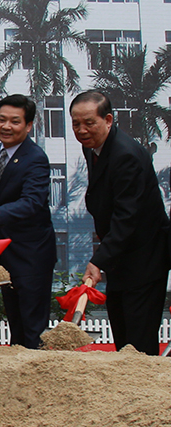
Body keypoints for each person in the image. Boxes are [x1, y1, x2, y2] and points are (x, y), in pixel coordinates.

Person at [70, 90, 170, 356]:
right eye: (76, 124)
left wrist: (98, 261)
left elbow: (127, 218)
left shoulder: (126, 155)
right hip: (121, 258)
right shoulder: (92, 146)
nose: (82, 130)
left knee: (138, 342)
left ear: (108, 120)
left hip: (144, 257)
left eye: (89, 123)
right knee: (122, 332)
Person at [0, 94, 56, 349]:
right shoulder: (0, 150)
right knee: (15, 321)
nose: (6, 126)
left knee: (32, 325)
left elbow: (31, 202)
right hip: (7, 251)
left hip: (32, 254)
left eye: (15, 122)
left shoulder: (35, 158)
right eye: (1, 119)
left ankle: (35, 369)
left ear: (28, 126)